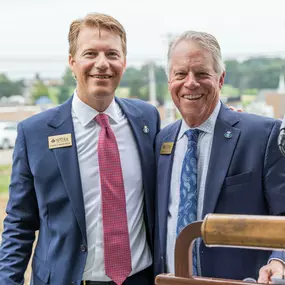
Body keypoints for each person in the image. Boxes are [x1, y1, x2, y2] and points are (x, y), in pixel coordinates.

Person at [0, 13, 160, 285]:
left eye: (112, 54)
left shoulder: (147, 119)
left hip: (140, 279)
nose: (102, 64)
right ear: (72, 62)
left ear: (123, 62)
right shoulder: (35, 134)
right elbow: (19, 224)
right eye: (90, 53)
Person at [154, 30, 285, 283]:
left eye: (202, 73)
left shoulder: (262, 135)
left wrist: (278, 260)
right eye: (180, 74)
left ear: (221, 78)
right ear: (169, 80)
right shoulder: (163, 141)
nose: (190, 83)